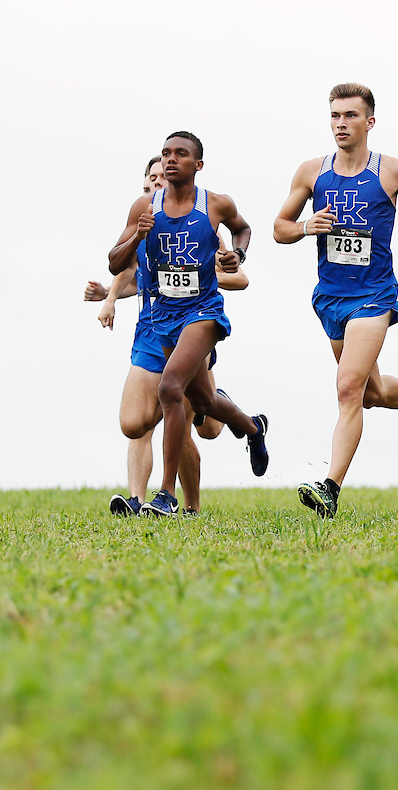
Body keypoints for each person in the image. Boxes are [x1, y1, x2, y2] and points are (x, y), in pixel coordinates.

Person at [273, 83, 398, 519]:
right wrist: (307, 227)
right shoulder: (312, 172)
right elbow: (279, 227)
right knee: (370, 393)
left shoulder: (394, 171)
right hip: (330, 298)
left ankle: (329, 488)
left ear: (369, 121)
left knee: (348, 388)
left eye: (350, 115)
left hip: (374, 295)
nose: (340, 123)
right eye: (334, 116)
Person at [108, 131, 269, 517]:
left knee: (170, 389)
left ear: (197, 165)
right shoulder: (143, 207)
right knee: (202, 401)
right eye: (165, 153)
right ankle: (252, 428)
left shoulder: (215, 204)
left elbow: (242, 228)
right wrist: (137, 238)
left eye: (180, 154)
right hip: (162, 314)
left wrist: (238, 255)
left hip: (202, 312)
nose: (170, 159)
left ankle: (165, 494)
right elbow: (115, 262)